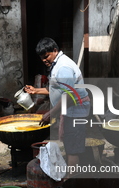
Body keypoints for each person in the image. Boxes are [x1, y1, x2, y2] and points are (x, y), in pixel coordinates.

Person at [25, 37, 90, 172]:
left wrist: (51, 113)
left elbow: (69, 96)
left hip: (76, 111)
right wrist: (36, 90)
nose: (44, 60)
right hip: (70, 110)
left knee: (73, 149)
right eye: (42, 58)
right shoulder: (56, 64)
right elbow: (54, 89)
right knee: (70, 144)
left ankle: (71, 180)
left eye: (46, 56)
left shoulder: (63, 67)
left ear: (55, 50)